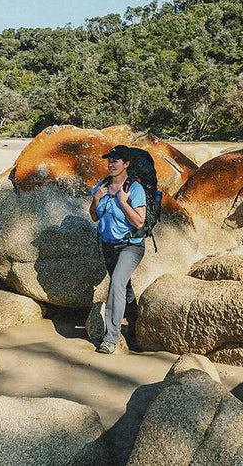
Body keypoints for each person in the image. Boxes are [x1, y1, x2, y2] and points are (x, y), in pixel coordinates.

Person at [89, 145, 147, 354]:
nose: (111, 164)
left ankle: (110, 339)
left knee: (116, 285)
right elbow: (94, 216)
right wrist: (96, 198)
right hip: (108, 246)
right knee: (124, 288)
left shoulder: (135, 189)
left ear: (126, 164)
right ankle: (134, 323)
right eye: (109, 160)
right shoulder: (102, 185)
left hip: (131, 246)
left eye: (116, 161)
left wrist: (123, 202)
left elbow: (139, 222)